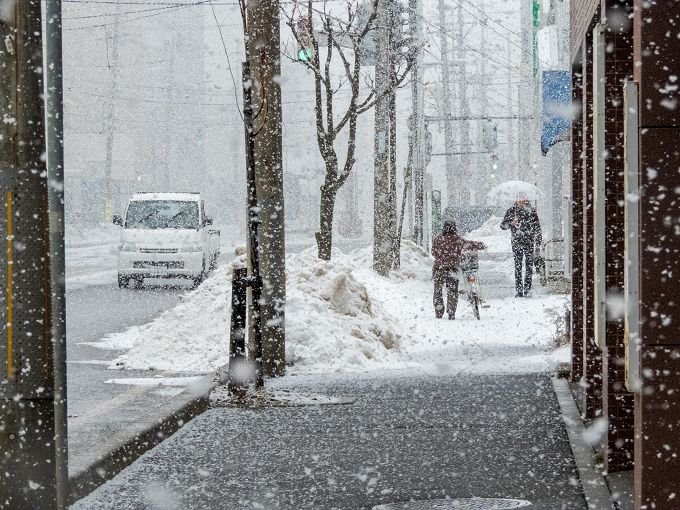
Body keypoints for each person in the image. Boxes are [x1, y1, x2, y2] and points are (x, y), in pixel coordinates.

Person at [432, 220, 486, 320]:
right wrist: (481, 245)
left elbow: (434, 253)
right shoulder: (458, 240)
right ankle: (451, 311)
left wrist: (442, 259)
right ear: (454, 228)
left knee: (438, 289)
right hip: (453, 269)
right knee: (452, 290)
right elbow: (470, 244)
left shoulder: (437, 239)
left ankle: (439, 309)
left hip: (439, 268)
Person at [500, 198, 542, 297]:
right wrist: (511, 223)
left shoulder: (531, 211)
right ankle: (519, 290)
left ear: (527, 201)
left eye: (524, 201)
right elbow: (502, 226)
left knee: (529, 266)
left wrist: (538, 241)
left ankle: (527, 289)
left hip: (529, 241)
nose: (521, 203)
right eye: (519, 201)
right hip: (516, 242)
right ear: (516, 201)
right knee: (518, 266)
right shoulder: (511, 211)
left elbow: (537, 227)